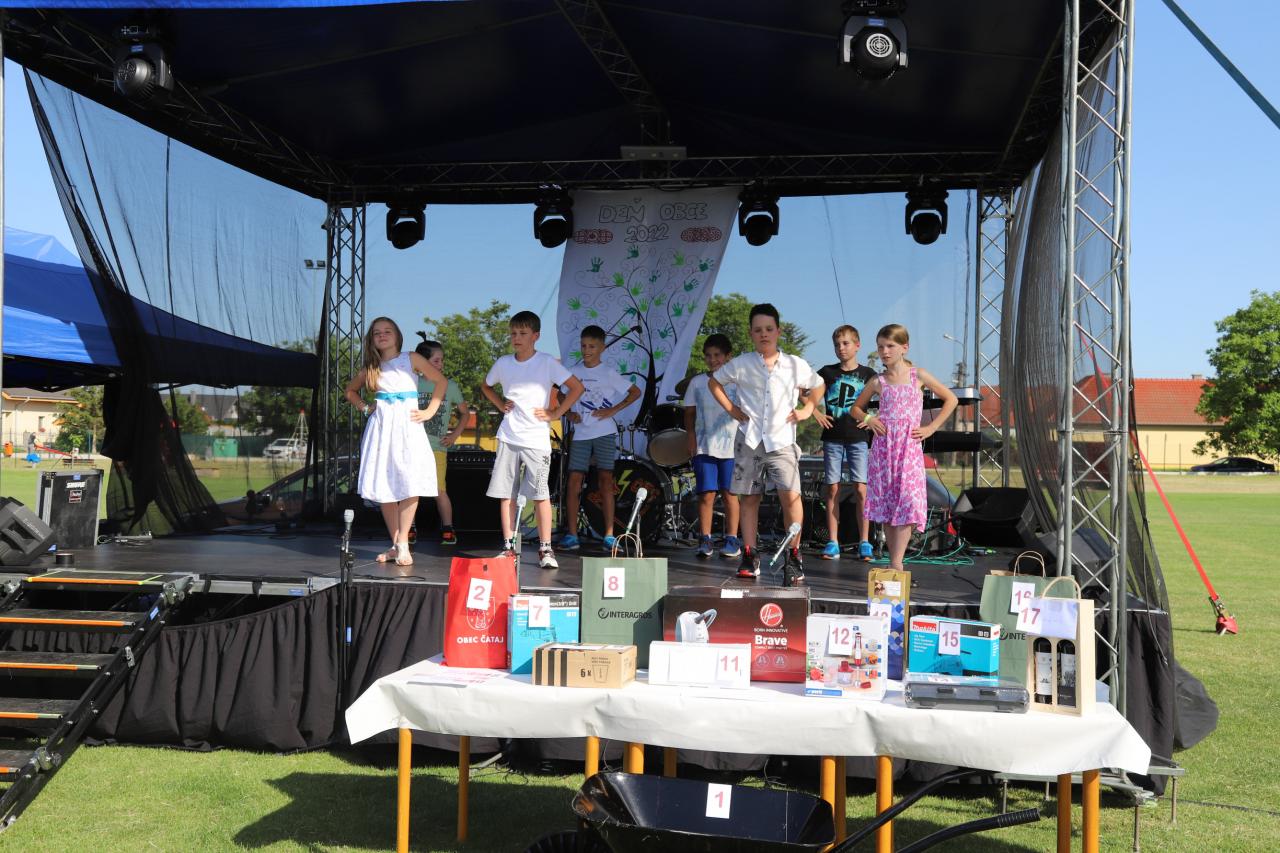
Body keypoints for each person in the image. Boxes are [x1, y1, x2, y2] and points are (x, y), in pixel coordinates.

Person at [709, 303, 823, 585]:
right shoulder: (742, 363)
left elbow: (818, 384)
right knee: (749, 498)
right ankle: (750, 555)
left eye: (769, 329)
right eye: (758, 330)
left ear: (778, 331)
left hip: (782, 439)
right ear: (751, 333)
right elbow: (715, 382)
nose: (764, 334)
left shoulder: (795, 364)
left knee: (791, 496)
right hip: (750, 438)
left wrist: (808, 409)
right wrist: (732, 409)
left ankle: (793, 556)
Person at [481, 310, 584, 569]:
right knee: (506, 494)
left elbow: (577, 387)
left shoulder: (547, 362)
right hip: (508, 437)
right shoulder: (504, 363)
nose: (516, 338)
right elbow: (486, 385)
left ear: (535, 336)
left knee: (540, 494)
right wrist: (500, 404)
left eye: (523, 333)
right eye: (513, 333)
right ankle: (508, 548)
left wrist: (556, 413)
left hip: (537, 441)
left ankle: (545, 548)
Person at [850, 323, 957, 571]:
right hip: (884, 449)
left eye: (890, 346)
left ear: (904, 347)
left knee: (908, 500)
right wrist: (869, 419)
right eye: (880, 347)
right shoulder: (878, 381)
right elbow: (855, 408)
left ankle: (897, 562)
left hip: (908, 448)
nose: (884, 351)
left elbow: (951, 399)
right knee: (888, 503)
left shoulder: (918, 375)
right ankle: (894, 562)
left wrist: (931, 428)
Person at [344, 317, 446, 567]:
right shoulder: (372, 367)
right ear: (371, 339)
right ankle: (397, 544)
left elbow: (440, 382)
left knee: (411, 483)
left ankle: (402, 543)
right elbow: (350, 391)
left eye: (387, 331)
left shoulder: (411, 358)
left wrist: (430, 411)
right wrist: (365, 407)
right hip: (382, 429)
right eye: (377, 332)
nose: (382, 335)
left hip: (408, 426)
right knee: (384, 486)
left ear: (397, 335)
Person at [560, 325, 641, 552]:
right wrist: (569, 413)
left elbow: (635, 392)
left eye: (592, 346)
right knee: (574, 481)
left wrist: (613, 410)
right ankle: (572, 534)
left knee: (606, 481)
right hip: (581, 433)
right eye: (584, 346)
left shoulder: (608, 373)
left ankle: (609, 535)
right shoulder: (573, 371)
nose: (587, 350)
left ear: (602, 348)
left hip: (604, 432)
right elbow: (560, 394)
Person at [814, 325, 878, 561]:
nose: (841, 348)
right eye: (837, 345)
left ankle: (864, 541)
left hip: (858, 439)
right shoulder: (826, 372)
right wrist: (815, 413)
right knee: (833, 488)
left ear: (857, 345)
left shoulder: (869, 374)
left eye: (846, 343)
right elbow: (803, 392)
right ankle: (833, 541)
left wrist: (872, 419)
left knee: (861, 488)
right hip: (832, 438)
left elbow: (888, 399)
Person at [683, 334, 742, 559]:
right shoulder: (697, 382)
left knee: (730, 493)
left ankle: (732, 538)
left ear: (728, 356)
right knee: (706, 494)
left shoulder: (738, 382)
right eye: (708, 355)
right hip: (704, 446)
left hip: (732, 448)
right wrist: (690, 436)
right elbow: (689, 413)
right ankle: (705, 538)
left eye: (717, 355)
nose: (713, 359)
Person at [415, 339, 470, 546]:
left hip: (437, 448)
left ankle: (448, 528)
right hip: (413, 447)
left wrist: (454, 435)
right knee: (410, 490)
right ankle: (408, 528)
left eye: (442, 360)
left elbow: (465, 413)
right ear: (422, 363)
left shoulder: (450, 386)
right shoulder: (412, 383)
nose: (441, 364)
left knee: (439, 490)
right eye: (436, 360)